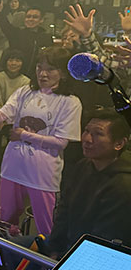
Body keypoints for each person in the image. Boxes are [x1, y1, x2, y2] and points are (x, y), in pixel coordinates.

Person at [0, 46, 82, 236]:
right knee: (6, 220)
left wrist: (24, 135)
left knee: (46, 224)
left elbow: (61, 142)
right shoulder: (25, 91)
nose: (43, 74)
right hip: (13, 166)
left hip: (42, 173)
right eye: (39, 67)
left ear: (63, 73)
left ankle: (47, 255)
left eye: (50, 69)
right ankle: (3, 252)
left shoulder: (70, 101)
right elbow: (1, 115)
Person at [45, 109, 131, 258]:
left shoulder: (123, 185)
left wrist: (62, 258)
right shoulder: (83, 166)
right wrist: (54, 249)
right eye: (86, 131)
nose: (87, 139)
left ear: (119, 143)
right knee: (11, 248)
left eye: (98, 134)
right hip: (68, 244)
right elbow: (64, 211)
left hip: (96, 256)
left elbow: (105, 237)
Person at [0, 4, 53, 76]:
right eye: (28, 17)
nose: (31, 19)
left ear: (41, 20)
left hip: (36, 76)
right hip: (17, 76)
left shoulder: (46, 37)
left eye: (35, 17)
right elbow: (6, 26)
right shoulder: (17, 34)